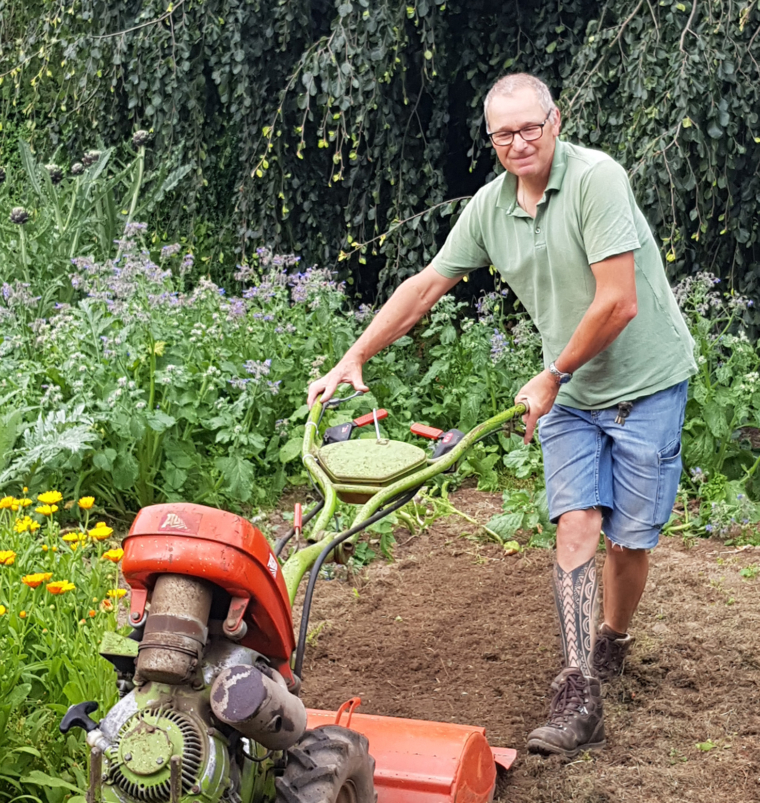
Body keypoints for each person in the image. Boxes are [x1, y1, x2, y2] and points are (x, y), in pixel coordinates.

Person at [307, 72, 697, 758]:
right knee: (577, 521)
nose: (518, 142)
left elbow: (618, 301)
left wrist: (551, 373)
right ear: (490, 139)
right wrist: (354, 356)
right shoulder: (491, 207)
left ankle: (614, 636)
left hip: (646, 384)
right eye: (503, 133)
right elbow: (428, 283)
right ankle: (578, 690)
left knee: (629, 543)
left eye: (529, 127)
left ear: (555, 122)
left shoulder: (596, 180)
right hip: (571, 398)